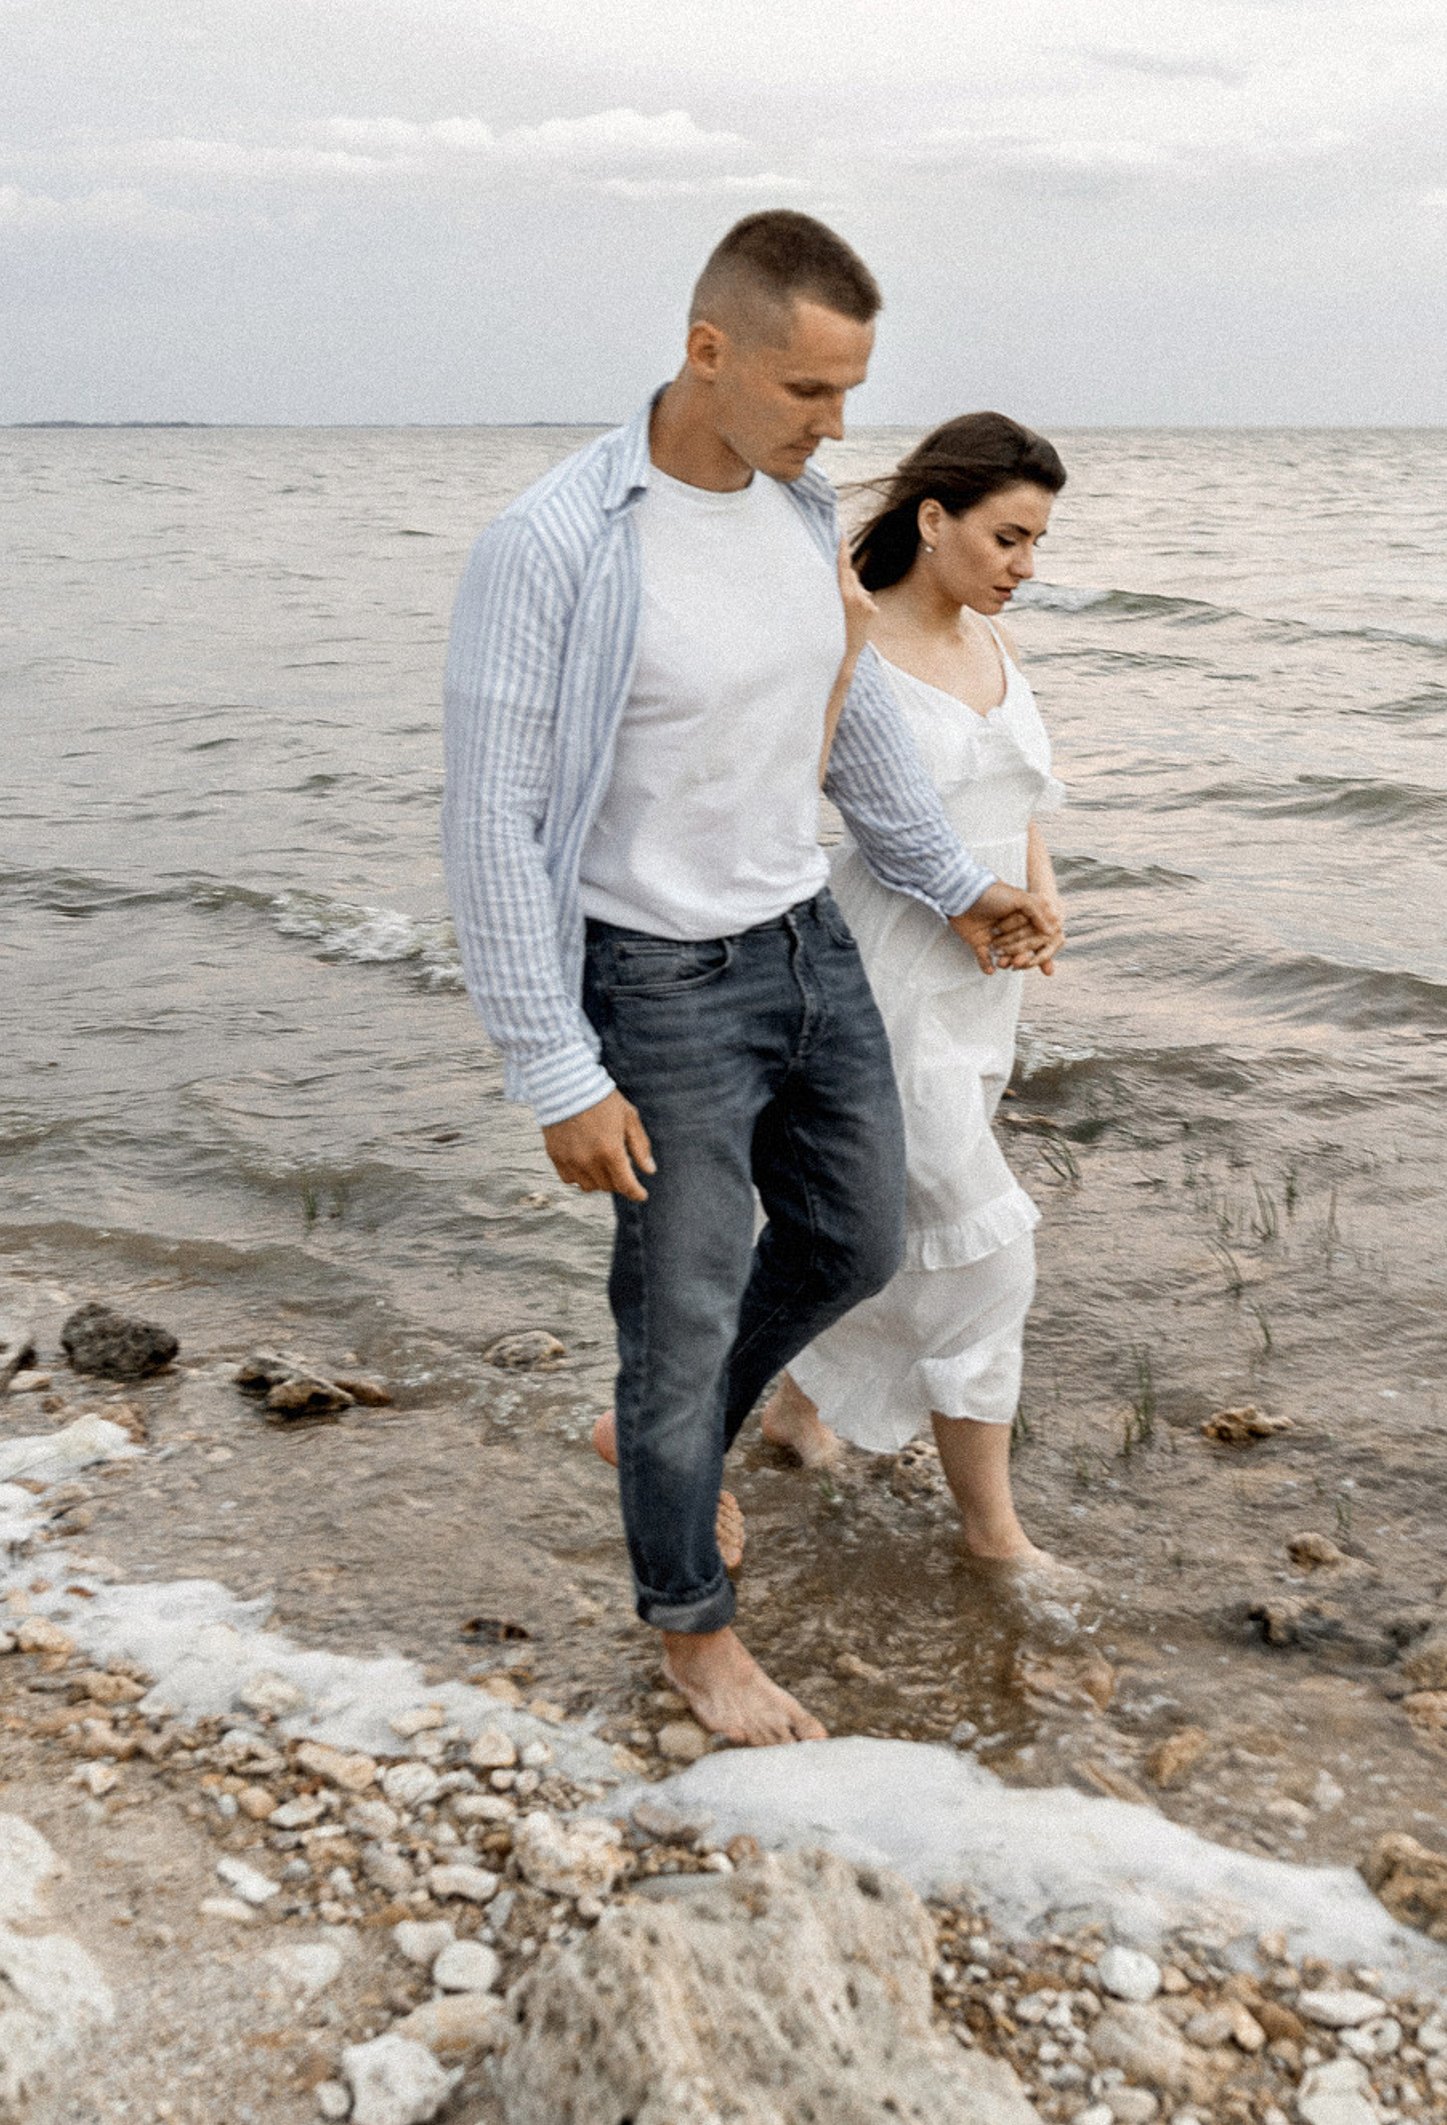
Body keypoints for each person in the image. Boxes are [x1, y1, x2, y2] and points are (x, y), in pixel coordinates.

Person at [440, 211, 1044, 1747]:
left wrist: (958, 883)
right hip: (652, 985)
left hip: (806, 947)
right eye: (807, 391)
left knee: (852, 1239)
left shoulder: (797, 513)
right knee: (680, 1311)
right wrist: (556, 1071)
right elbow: (493, 821)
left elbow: (846, 729)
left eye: (851, 390)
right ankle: (694, 1637)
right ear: (709, 352)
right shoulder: (559, 543)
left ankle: (675, 1442)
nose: (839, 427)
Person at [770, 413, 1072, 1578]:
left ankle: (799, 1406)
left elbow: (1021, 799)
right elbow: (849, 811)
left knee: (876, 1217)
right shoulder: (851, 640)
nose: (1025, 567)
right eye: (1008, 536)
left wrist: (1045, 907)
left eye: (1037, 542)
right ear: (933, 517)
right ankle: (993, 1535)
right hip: (882, 975)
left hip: (981, 986)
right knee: (988, 1248)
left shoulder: (998, 652)